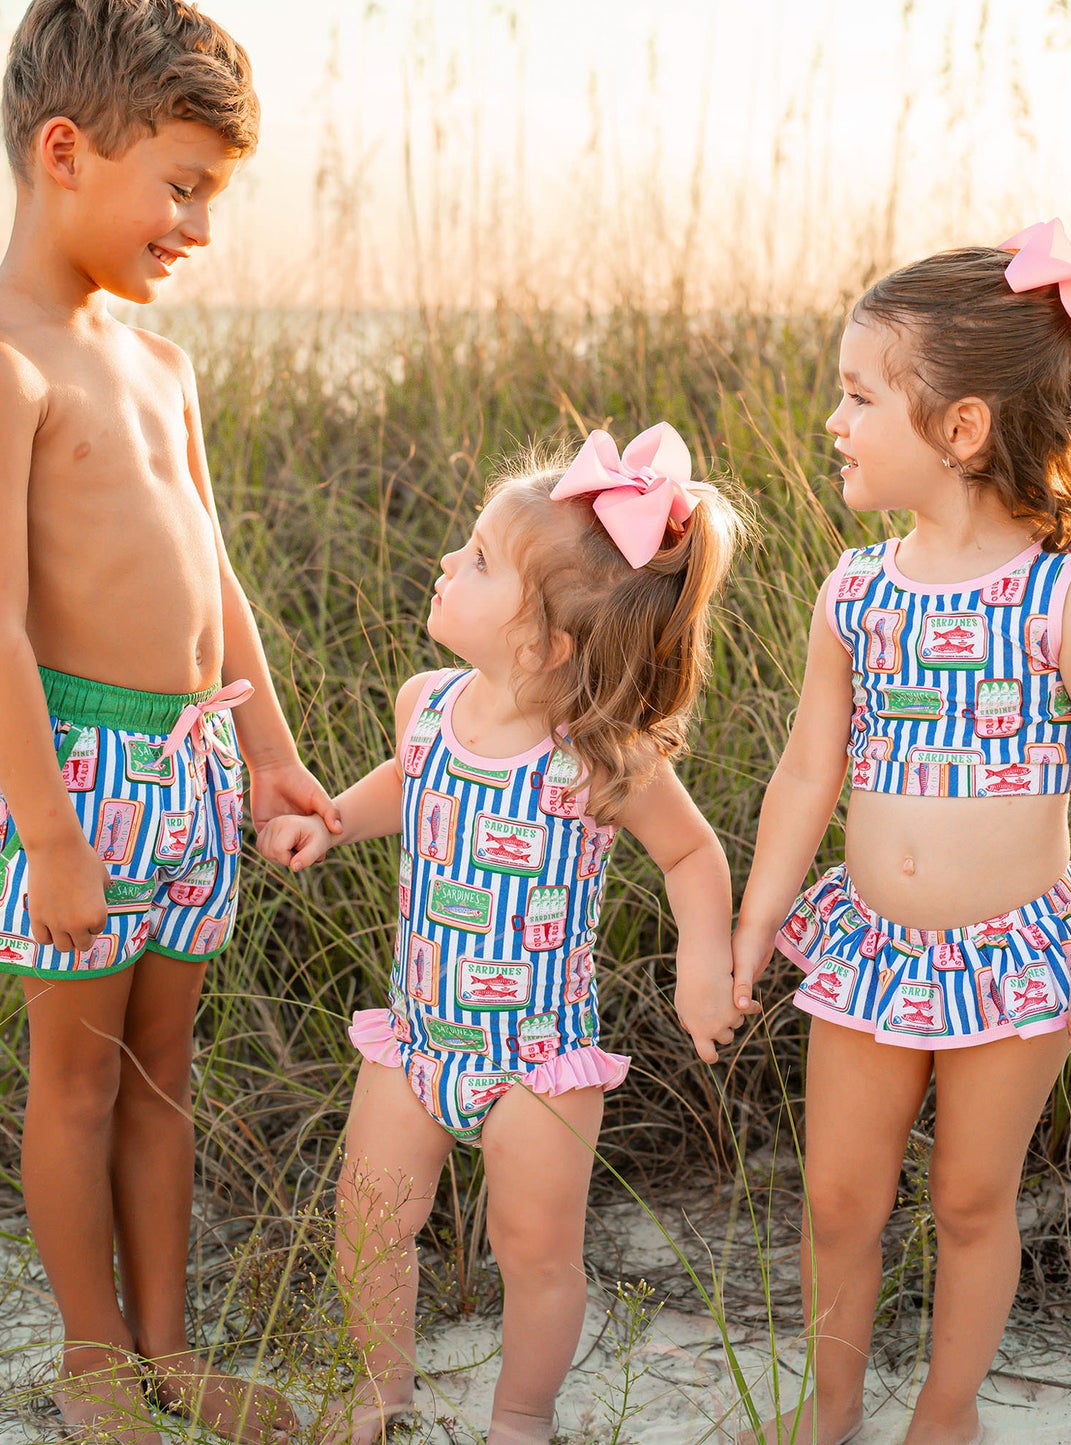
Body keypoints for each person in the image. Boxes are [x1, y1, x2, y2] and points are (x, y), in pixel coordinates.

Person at [0, 3, 338, 1440]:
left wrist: (274, 756)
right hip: (76, 773)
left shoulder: (160, 365)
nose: (198, 229)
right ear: (63, 153)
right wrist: (47, 833)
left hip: (191, 762)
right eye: (181, 187)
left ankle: (172, 1352)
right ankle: (92, 1358)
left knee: (163, 1077)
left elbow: (213, 573)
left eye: (210, 196)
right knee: (78, 1081)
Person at [731, 221, 1071, 1445]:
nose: (835, 417)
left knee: (973, 1200)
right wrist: (758, 920)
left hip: (1013, 954)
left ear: (960, 427)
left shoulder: (1066, 597)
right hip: (869, 950)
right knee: (835, 1201)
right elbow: (807, 768)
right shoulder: (854, 591)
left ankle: (945, 1409)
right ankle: (827, 1411)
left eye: (860, 394)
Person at [260, 424, 748, 1444]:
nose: (447, 559)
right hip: (416, 1036)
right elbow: (410, 783)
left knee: (534, 1251)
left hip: (538, 1059)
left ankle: (520, 1415)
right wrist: (334, 818)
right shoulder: (426, 706)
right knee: (369, 1221)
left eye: (477, 559)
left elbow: (692, 856)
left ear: (545, 644)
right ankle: (373, 1390)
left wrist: (701, 964)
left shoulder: (599, 761)